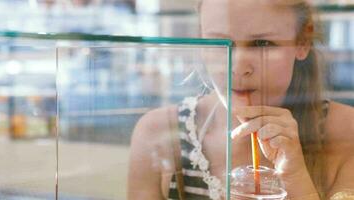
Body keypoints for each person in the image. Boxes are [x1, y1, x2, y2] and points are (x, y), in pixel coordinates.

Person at [127, 0, 354, 199]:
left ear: (302, 42)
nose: (238, 68)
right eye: (219, 43)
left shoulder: (347, 132)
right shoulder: (159, 134)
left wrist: (298, 182)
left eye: (262, 44)